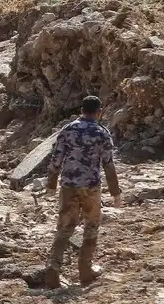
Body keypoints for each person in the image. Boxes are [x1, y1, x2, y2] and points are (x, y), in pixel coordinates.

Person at [44, 95, 122, 289]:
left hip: (68, 186)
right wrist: (115, 192)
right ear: (99, 111)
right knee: (91, 225)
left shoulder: (67, 130)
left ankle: (53, 268)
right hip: (91, 187)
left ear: (81, 110)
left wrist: (51, 186)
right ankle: (85, 271)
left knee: (64, 228)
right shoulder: (101, 132)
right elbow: (109, 165)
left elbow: (55, 161)